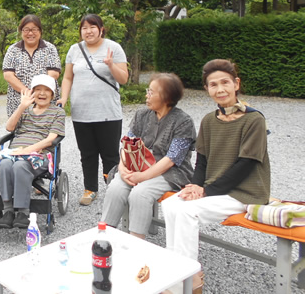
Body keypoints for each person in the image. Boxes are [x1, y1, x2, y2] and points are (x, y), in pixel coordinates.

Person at [162, 59, 270, 292]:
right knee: (172, 204)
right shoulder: (209, 120)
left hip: (245, 192)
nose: (220, 89)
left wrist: (206, 191)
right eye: (213, 85)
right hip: (216, 189)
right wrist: (194, 186)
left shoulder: (254, 119)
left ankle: (188, 280)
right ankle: (177, 273)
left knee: (188, 211)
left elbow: (247, 165)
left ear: (236, 84)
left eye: (225, 83)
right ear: (207, 89)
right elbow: (202, 162)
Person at [100, 73, 196, 240]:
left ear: (166, 97)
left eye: (151, 92)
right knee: (116, 187)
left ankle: (136, 242)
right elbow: (126, 144)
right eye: (148, 91)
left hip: (170, 172)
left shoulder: (183, 121)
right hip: (136, 165)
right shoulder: (142, 114)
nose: (147, 95)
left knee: (141, 193)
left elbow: (171, 159)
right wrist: (122, 170)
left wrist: (142, 176)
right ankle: (104, 238)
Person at [57, 13, 129, 206]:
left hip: (108, 113)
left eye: (92, 27)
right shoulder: (74, 49)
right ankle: (90, 189)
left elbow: (123, 79)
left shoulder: (113, 48)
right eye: (84, 28)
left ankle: (114, 190)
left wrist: (111, 65)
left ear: (101, 29)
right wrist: (63, 98)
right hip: (82, 113)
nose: (88, 31)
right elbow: (68, 78)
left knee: (110, 154)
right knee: (87, 154)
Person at [0, 74, 66, 229]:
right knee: (5, 164)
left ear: (52, 94)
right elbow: (9, 128)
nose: (42, 93)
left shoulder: (57, 112)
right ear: (32, 92)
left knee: (20, 166)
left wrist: (25, 151)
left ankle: (23, 213)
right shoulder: (25, 110)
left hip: (39, 155)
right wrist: (22, 106)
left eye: (46, 90)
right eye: (38, 89)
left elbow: (50, 140)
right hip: (16, 153)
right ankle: (8, 211)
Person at [2, 14, 61, 117]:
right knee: (20, 131)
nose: (30, 33)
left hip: (45, 101)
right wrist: (29, 93)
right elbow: (8, 75)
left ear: (40, 31)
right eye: (26, 30)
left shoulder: (50, 48)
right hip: (19, 102)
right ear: (21, 31)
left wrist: (39, 92)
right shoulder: (13, 50)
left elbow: (54, 73)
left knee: (47, 130)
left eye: (34, 29)